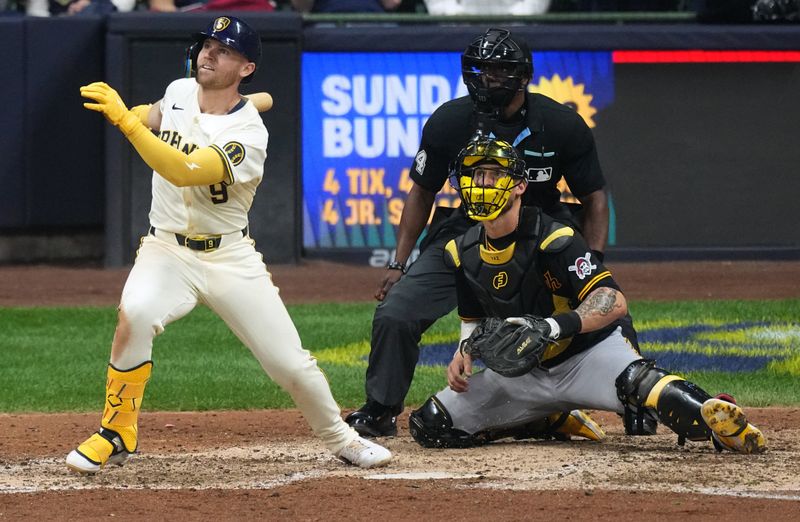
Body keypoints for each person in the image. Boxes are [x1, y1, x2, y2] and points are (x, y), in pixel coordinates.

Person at [66, 15, 391, 474]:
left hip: (229, 257)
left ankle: (343, 439)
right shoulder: (180, 91)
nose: (208, 54)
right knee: (135, 314)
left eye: (223, 50)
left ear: (246, 68)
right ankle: (116, 431)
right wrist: (134, 115)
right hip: (166, 250)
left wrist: (126, 123)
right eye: (207, 46)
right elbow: (156, 115)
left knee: (290, 365)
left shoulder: (248, 136)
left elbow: (185, 170)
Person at [408, 137, 766, 455]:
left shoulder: (554, 237)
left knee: (644, 388)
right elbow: (472, 316)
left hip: (587, 355)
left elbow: (612, 299)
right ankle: (543, 420)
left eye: (493, 175)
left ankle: (722, 424)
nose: (482, 184)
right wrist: (464, 351)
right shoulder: (460, 250)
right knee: (431, 424)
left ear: (519, 186)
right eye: (476, 176)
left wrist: (552, 326)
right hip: (523, 373)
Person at [346, 27, 611, 437]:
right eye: (483, 69)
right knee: (396, 312)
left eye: (501, 69)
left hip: (539, 238)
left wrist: (593, 260)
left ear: (523, 76)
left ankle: (634, 402)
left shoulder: (560, 124)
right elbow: (422, 192)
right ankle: (380, 409)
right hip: (461, 235)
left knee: (601, 301)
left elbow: (594, 197)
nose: (489, 77)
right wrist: (399, 262)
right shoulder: (449, 122)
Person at [424, 0, 551, 15]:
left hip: (516, 29)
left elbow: (536, 4)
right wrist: (456, 14)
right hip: (462, 30)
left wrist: (516, 16)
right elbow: (438, 4)